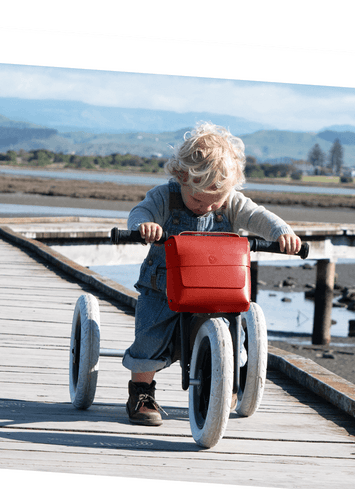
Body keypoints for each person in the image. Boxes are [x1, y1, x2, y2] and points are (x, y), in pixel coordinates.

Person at [123, 122, 302, 426]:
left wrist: (282, 232)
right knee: (150, 336)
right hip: (163, 289)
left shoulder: (231, 202)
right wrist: (144, 227)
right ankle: (141, 392)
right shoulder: (165, 197)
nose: (206, 208)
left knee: (232, 333)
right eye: (197, 200)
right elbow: (141, 212)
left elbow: (258, 216)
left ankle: (226, 379)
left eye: (215, 201)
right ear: (182, 178)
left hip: (215, 290)